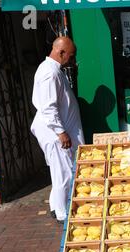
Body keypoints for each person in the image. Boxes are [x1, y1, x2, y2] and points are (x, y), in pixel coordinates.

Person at [31, 37, 85, 224]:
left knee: (59, 172)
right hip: (55, 134)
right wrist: (61, 132)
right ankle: (63, 215)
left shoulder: (53, 70)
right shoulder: (49, 73)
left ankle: (56, 207)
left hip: (57, 132)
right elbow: (48, 107)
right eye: (70, 56)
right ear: (61, 52)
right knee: (64, 174)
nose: (72, 60)